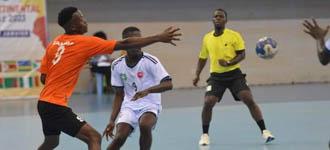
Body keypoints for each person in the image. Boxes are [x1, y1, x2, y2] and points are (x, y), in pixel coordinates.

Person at [37, 7, 181, 150]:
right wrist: (158, 37)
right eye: (81, 18)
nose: (85, 21)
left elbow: (44, 78)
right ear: (73, 26)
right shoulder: (84, 42)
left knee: (51, 142)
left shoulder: (54, 44)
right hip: (55, 105)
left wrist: (71, 65)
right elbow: (124, 44)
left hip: (43, 103)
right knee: (94, 137)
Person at [192, 8, 274, 146]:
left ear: (226, 20)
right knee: (208, 102)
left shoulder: (234, 35)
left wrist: (229, 63)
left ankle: (265, 131)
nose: (218, 18)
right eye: (215, 16)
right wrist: (197, 74)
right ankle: (205, 135)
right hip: (216, 77)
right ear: (212, 20)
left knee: (248, 99)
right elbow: (202, 58)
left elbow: (242, 54)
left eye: (221, 16)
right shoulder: (207, 38)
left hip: (234, 74)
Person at [102, 26, 173, 150]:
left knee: (145, 126)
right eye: (134, 41)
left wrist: (147, 91)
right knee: (119, 137)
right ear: (125, 43)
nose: (138, 44)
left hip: (150, 103)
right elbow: (119, 94)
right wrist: (112, 120)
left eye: (140, 40)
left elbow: (168, 84)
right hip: (129, 105)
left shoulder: (151, 61)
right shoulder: (117, 65)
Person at [89, 31, 113, 96]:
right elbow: (92, 60)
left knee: (110, 69)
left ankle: (108, 87)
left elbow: (108, 58)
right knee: (107, 69)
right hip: (96, 66)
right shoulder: (93, 48)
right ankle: (107, 87)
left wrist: (109, 60)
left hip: (104, 66)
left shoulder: (106, 47)